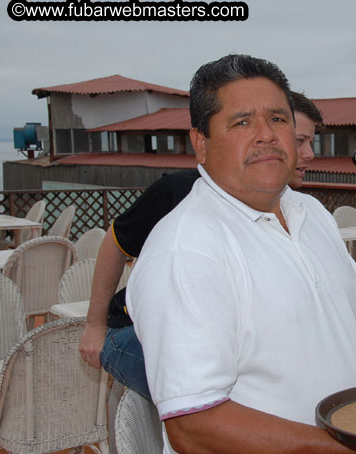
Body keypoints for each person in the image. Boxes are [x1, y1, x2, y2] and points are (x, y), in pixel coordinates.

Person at [126, 54, 356, 453]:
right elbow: (194, 426)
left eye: (278, 118)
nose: (266, 135)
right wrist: (340, 448)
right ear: (201, 144)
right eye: (242, 122)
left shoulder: (311, 213)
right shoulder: (186, 250)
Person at [78, 90, 324, 400]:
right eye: (300, 141)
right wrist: (94, 326)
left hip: (218, 337)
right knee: (242, 396)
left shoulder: (298, 212)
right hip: (131, 331)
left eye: (308, 141)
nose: (308, 154)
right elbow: (115, 244)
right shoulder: (179, 192)